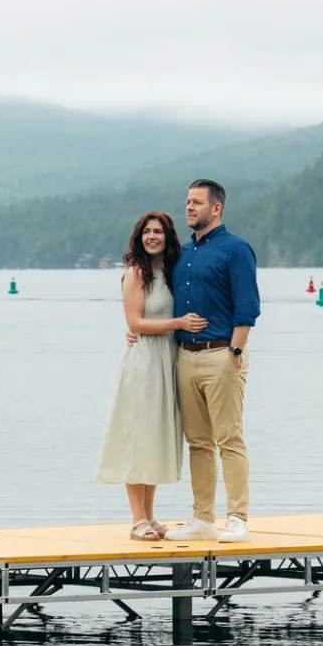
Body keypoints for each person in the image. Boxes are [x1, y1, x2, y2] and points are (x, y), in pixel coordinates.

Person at [96, 211, 208, 540]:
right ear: (139, 237)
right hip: (144, 363)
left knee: (156, 437)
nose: (152, 236)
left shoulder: (171, 273)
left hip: (168, 361)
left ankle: (150, 515)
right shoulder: (135, 273)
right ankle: (136, 519)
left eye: (158, 231)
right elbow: (135, 324)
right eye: (147, 231)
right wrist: (178, 324)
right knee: (138, 438)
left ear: (168, 236)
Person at [167, 179, 261, 543]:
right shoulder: (184, 253)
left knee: (229, 438)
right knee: (198, 442)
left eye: (196, 202)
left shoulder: (236, 249)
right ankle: (202, 518)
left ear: (216, 208)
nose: (189, 207)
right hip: (185, 357)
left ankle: (237, 517)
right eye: (187, 201)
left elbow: (247, 307)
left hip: (223, 354)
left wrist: (235, 352)